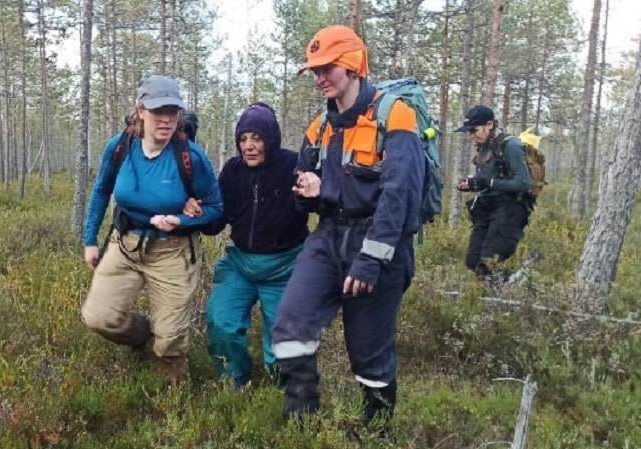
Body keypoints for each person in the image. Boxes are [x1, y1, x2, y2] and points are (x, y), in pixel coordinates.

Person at [269, 25, 425, 428]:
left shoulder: (396, 116)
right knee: (290, 323)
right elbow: (306, 190)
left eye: (328, 68)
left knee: (368, 352)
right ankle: (301, 422)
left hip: (379, 243)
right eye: (314, 70)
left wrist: (371, 260)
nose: (320, 78)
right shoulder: (319, 127)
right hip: (329, 237)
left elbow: (399, 194)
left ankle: (376, 431)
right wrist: (306, 192)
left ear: (353, 65)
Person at [81, 74, 223, 385]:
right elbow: (101, 190)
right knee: (99, 317)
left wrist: (182, 221)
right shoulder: (120, 146)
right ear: (141, 110)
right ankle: (142, 334)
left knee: (170, 340)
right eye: (159, 111)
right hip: (126, 245)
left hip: (173, 252)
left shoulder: (191, 157)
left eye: (173, 112)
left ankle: (169, 404)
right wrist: (90, 239)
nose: (167, 120)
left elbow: (215, 208)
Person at [188, 102, 309, 390]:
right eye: (243, 139)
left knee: (283, 346)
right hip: (240, 264)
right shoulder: (233, 171)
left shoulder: (293, 166)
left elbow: (316, 204)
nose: (249, 146)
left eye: (256, 138)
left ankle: (283, 391)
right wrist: (198, 213)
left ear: (270, 138)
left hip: (285, 268)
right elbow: (217, 220)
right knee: (220, 322)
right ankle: (235, 383)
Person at [454, 104, 531, 281]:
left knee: (486, 263)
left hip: (509, 210)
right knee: (472, 261)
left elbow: (523, 183)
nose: (471, 135)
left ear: (489, 125)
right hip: (486, 209)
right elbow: (487, 179)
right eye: (469, 132)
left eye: (474, 130)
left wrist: (487, 182)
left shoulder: (511, 145)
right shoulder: (484, 146)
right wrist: (472, 184)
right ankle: (511, 284)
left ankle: (519, 284)